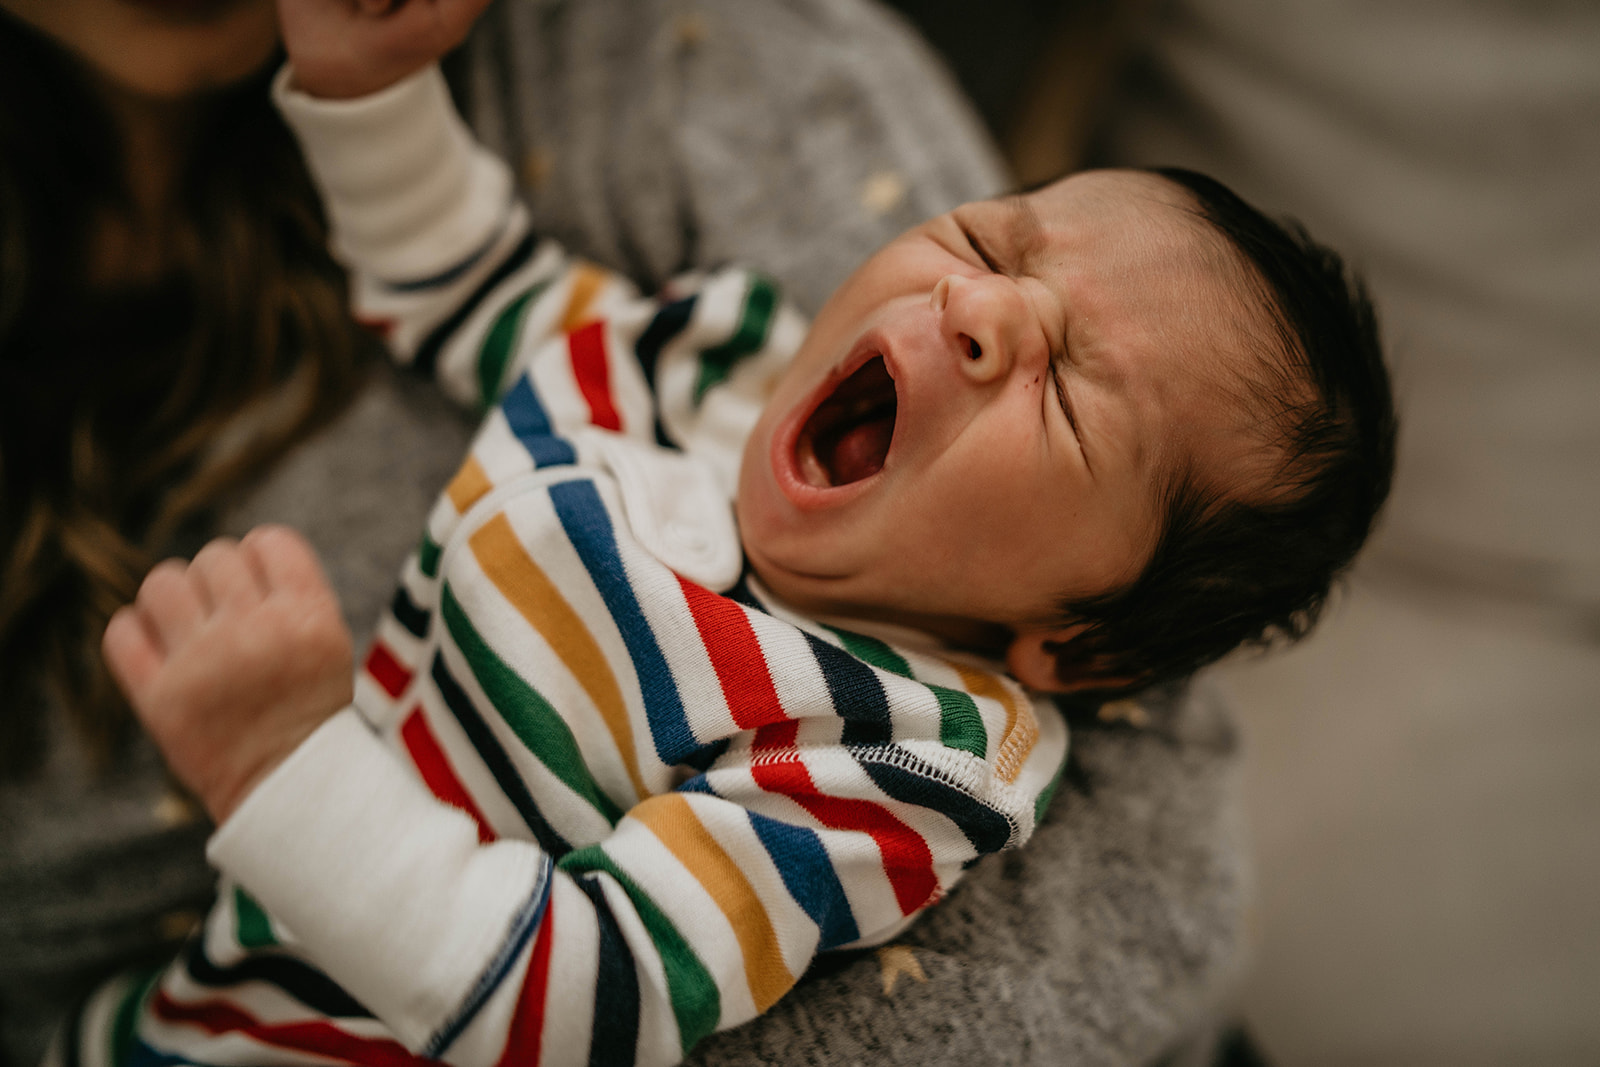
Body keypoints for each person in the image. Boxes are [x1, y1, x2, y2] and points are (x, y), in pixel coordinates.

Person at [74, 1, 1395, 1063]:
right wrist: (372, 98)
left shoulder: (902, 753)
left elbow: (567, 1000)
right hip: (201, 992)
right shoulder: (719, 367)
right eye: (997, 241)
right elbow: (463, 284)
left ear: (1082, 646)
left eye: (1071, 398)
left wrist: (282, 762)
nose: (982, 311)